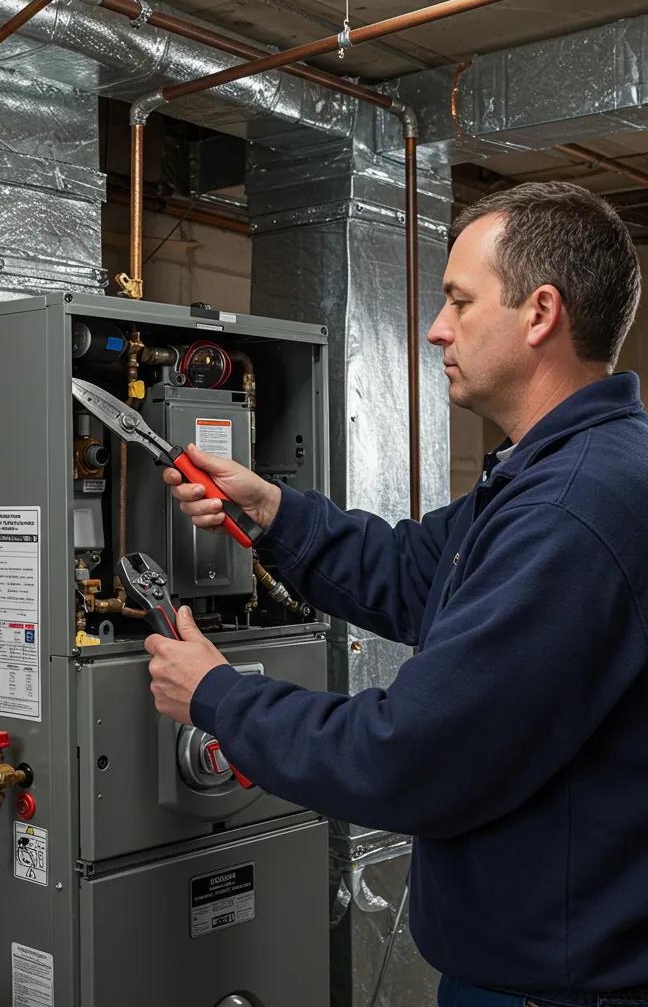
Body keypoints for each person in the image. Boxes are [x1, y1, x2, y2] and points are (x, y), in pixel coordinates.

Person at [146, 181, 648, 1007]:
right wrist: (272, 512)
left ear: (540, 312)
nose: (437, 328)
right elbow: (420, 571)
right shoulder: (560, 474)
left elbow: (413, 753)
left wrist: (219, 698)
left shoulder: (573, 508)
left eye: (458, 299)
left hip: (561, 991)